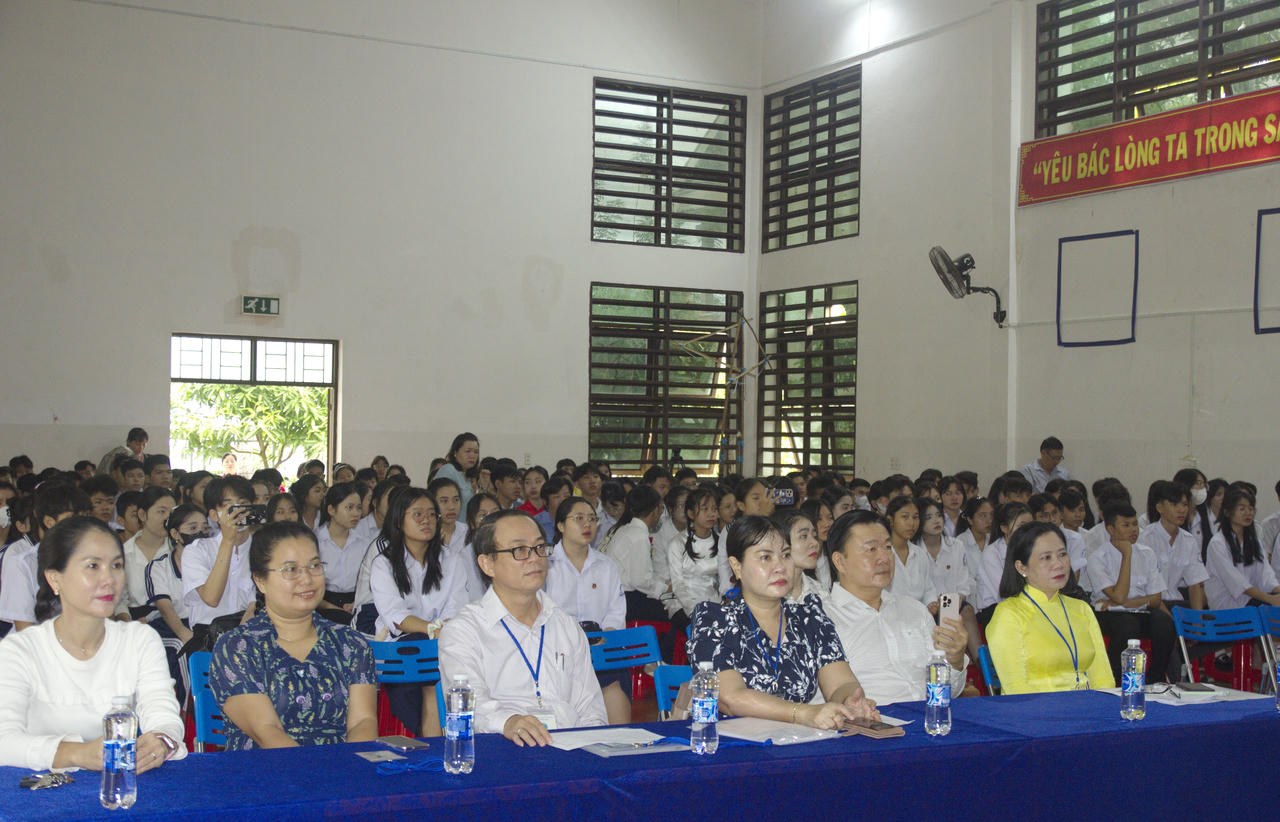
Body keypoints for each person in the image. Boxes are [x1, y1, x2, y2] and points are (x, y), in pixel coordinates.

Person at [0, 516, 185, 770]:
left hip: (120, 783)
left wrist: (161, 741)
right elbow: (4, 742)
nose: (109, 579)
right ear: (54, 579)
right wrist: (77, 753)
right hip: (39, 788)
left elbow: (162, 713)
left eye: (116, 565)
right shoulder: (19, 651)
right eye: (92, 566)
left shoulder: (139, 639)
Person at [687, 516, 880, 728]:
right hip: (732, 739)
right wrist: (802, 713)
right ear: (737, 566)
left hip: (798, 738)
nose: (780, 566)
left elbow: (841, 682)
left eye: (786, 555)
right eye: (765, 557)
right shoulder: (714, 619)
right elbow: (730, 698)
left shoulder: (809, 617)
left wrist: (848, 702)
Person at [439, 510, 607, 746]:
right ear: (487, 564)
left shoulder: (565, 625)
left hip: (569, 749)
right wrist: (509, 722)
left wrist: (591, 748)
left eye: (539, 547)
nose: (534, 558)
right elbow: (470, 706)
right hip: (503, 749)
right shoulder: (464, 631)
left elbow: (590, 706)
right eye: (519, 550)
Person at [209, 521, 377, 750]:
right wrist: (318, 772)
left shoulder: (350, 643)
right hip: (266, 768)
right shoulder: (238, 647)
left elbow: (363, 722)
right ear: (260, 580)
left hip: (343, 766)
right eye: (291, 569)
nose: (307, 579)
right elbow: (267, 731)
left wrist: (345, 768)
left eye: (314, 566)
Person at [823, 510, 968, 705]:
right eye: (871, 549)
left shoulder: (915, 610)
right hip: (872, 720)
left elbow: (948, 693)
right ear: (840, 562)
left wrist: (955, 659)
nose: (884, 558)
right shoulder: (823, 619)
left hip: (927, 716)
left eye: (888, 547)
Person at [986, 521, 1114, 694]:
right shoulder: (1009, 613)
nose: (1059, 564)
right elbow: (1015, 687)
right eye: (1046, 557)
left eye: (1062, 554)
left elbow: (1103, 679)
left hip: (1086, 706)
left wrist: (1101, 706)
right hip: (1035, 708)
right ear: (1021, 567)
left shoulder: (1081, 609)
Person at [544, 496, 630, 723]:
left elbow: (616, 611)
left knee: (613, 684)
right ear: (561, 525)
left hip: (600, 646)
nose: (587, 524)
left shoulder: (606, 565)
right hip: (558, 651)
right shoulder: (546, 564)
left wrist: (606, 635)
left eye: (592, 519)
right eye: (579, 518)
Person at [1083, 504, 1176, 684]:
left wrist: (1125, 603)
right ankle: (1115, 681)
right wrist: (1127, 555)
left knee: (1164, 623)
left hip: (1138, 611)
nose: (1133, 530)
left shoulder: (1147, 553)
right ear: (1111, 529)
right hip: (1108, 615)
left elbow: (1156, 599)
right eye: (1126, 525)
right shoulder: (1098, 557)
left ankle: (1155, 680)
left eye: (1135, 524)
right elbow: (1119, 595)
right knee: (1127, 625)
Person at [0, 483, 92, 633]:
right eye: (72, 518)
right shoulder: (22, 563)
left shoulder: (93, 560)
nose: (81, 525)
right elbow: (24, 629)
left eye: (85, 517)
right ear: (49, 522)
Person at [183, 476, 261, 633]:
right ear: (214, 515)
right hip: (209, 634)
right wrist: (228, 540)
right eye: (229, 506)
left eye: (243, 504)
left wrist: (254, 606)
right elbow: (211, 598)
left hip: (255, 630)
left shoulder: (263, 548)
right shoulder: (196, 550)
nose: (237, 512)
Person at [601, 484, 674, 624]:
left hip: (619, 595)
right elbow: (640, 581)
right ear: (655, 511)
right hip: (628, 599)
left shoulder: (626, 529)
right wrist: (666, 589)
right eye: (661, 508)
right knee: (668, 617)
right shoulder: (638, 536)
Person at [1135, 481, 1208, 610]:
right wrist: (1172, 619)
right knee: (1163, 620)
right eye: (1174, 504)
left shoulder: (1189, 540)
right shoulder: (1145, 539)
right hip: (1151, 605)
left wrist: (1197, 618)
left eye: (1184, 504)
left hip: (1177, 602)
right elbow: (1144, 588)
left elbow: (1195, 584)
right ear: (1160, 508)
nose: (1181, 510)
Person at [1203, 488, 1280, 608]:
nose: (1248, 513)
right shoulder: (1218, 543)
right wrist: (1269, 599)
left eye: (1251, 508)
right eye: (1242, 509)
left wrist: (1277, 591)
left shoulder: (1253, 541)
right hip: (1227, 604)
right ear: (1227, 512)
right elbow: (1236, 582)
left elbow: (1266, 575)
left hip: (1252, 599)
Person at [667, 487, 733, 619]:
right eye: (705, 509)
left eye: (714, 509)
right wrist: (694, 611)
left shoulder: (721, 541)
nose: (711, 514)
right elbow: (678, 584)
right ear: (691, 514)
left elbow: (725, 580)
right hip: (683, 605)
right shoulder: (677, 543)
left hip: (713, 602)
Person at [121, 486, 177, 621]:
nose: (167, 518)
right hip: (135, 621)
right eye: (161, 511)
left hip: (175, 619)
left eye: (172, 513)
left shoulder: (178, 551)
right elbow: (120, 599)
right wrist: (127, 621)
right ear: (142, 515)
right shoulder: (124, 553)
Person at [313, 482, 368, 622]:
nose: (356, 513)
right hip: (321, 603)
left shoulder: (364, 543)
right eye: (349, 507)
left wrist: (357, 603)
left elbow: (370, 584)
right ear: (331, 510)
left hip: (355, 602)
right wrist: (333, 608)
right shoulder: (314, 541)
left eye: (359, 508)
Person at [974, 502, 1033, 623]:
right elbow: (1003, 593)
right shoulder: (991, 553)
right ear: (1004, 528)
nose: (1028, 531)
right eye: (1022, 526)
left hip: (1025, 604)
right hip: (996, 609)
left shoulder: (1033, 549)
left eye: (1031, 526)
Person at [884, 496, 938, 608]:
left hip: (919, 614)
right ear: (890, 520)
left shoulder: (920, 554)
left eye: (915, 517)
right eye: (905, 517)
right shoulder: (881, 554)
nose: (911, 523)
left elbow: (928, 589)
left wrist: (931, 603)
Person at [773, 508, 826, 601]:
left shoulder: (820, 592)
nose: (815, 543)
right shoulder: (767, 594)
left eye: (814, 536)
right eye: (803, 536)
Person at [435, 433, 480, 513]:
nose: (472, 456)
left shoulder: (468, 477)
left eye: (476, 452)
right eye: (468, 451)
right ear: (455, 452)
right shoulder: (448, 470)